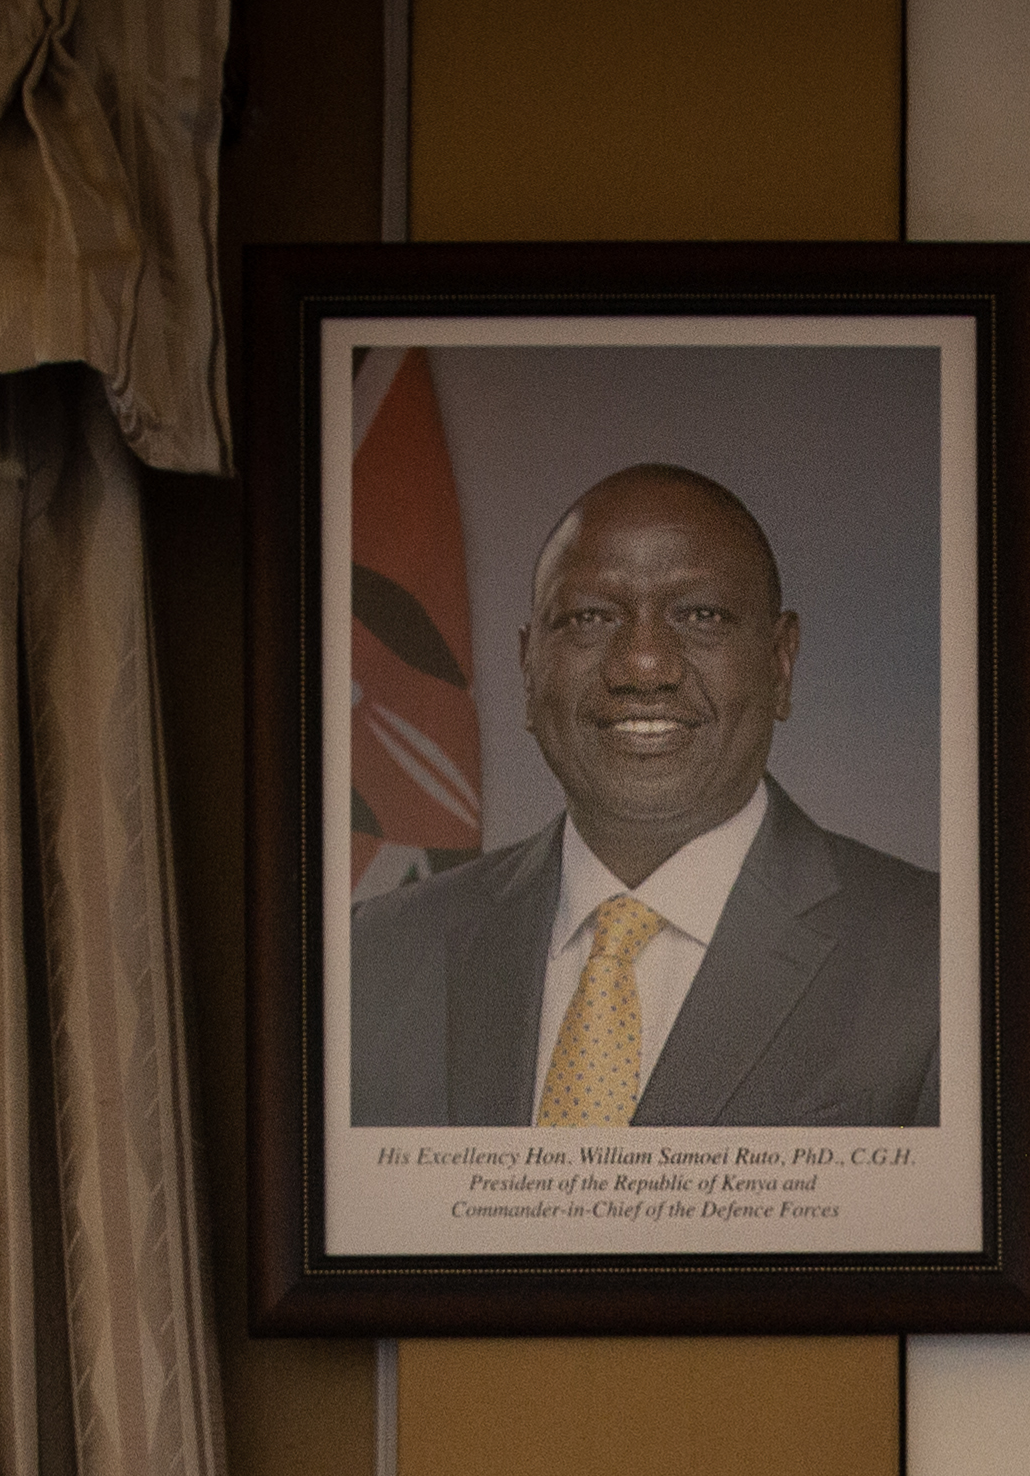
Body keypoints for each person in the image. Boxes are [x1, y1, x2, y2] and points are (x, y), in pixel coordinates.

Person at [344, 461, 941, 1130]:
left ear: (780, 662)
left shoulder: (938, 960)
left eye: (702, 614)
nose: (643, 664)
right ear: (527, 667)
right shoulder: (372, 958)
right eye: (589, 617)